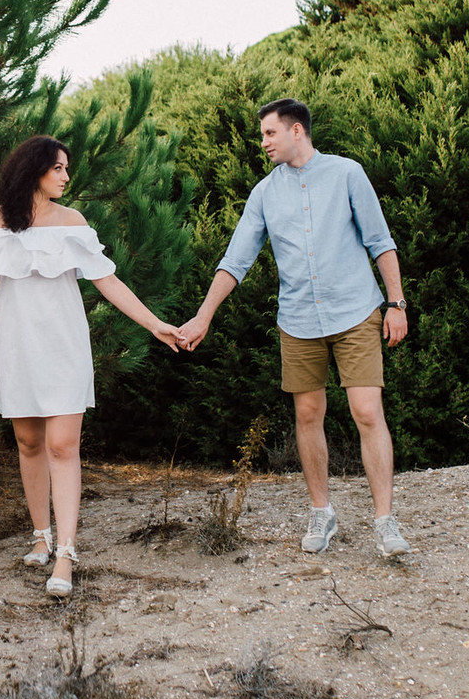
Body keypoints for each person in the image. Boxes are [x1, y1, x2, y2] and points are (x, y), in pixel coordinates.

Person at [175, 99, 412, 557]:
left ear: (296, 130)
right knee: (307, 416)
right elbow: (236, 261)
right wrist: (203, 315)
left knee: (367, 412)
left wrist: (396, 303)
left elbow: (381, 242)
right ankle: (322, 513)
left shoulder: (347, 173)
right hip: (299, 321)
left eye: (269, 133)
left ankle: (385, 521)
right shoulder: (264, 193)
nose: (262, 143)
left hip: (355, 312)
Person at [0, 135, 181, 597]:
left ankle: (65, 553)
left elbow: (108, 281)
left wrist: (155, 324)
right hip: (17, 347)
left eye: (66, 168)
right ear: (32, 171)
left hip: (64, 347)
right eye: (58, 168)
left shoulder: (73, 222)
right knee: (28, 440)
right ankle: (40, 535)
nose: (65, 176)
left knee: (62, 445)